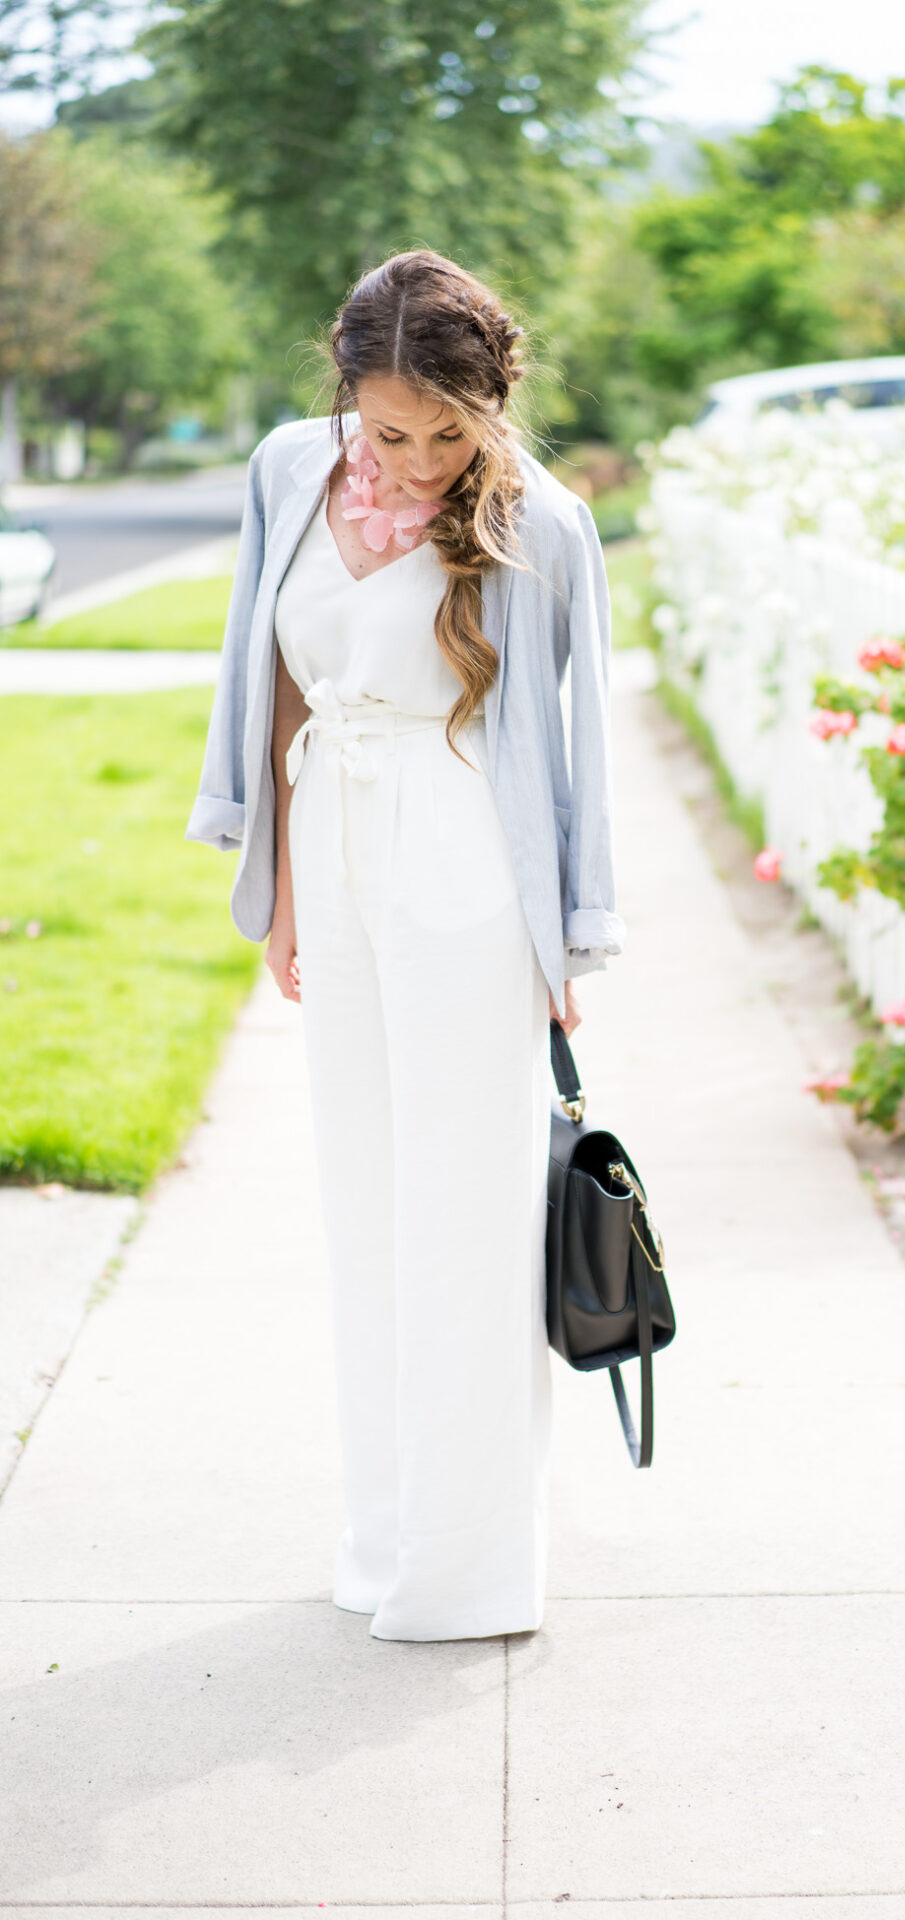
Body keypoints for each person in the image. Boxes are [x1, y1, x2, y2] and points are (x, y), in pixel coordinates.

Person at [186, 248, 624, 1642]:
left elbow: (580, 748)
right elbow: (260, 665)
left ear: (495, 404)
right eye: (393, 431)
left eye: (453, 432)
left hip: (462, 861)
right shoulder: (284, 473)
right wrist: (286, 889)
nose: (423, 460)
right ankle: (383, 1537)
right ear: (344, 399)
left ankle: (471, 1566)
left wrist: (567, 940)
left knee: (467, 1216)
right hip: (334, 840)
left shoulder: (542, 522)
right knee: (366, 1203)